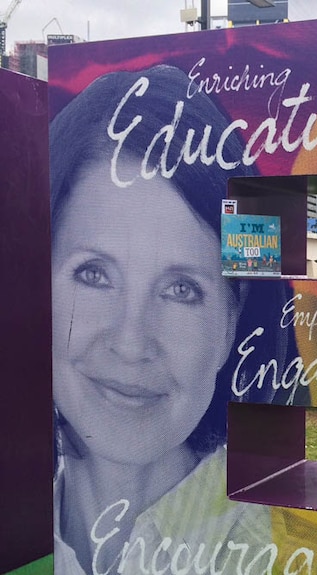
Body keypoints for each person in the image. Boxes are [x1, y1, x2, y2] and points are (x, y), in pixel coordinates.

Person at [50, 65, 291, 575]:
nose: (132, 342)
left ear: (234, 321)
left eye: (182, 289)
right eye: (93, 274)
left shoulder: (299, 550)